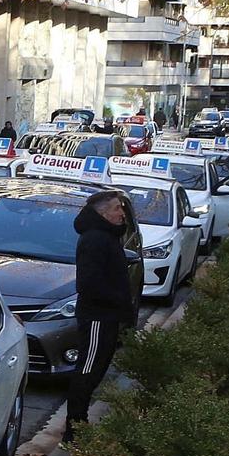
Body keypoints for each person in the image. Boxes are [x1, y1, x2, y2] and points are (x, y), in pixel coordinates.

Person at [67, 189, 135, 442]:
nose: (122, 213)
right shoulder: (94, 239)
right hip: (97, 317)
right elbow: (88, 284)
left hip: (108, 316)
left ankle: (79, 426)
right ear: (103, 213)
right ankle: (74, 430)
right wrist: (117, 299)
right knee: (87, 371)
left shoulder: (109, 237)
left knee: (96, 370)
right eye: (117, 208)